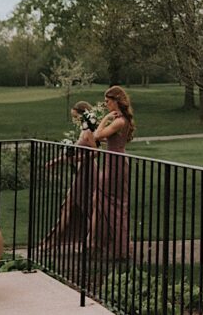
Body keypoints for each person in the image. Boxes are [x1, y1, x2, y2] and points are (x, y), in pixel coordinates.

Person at [42, 101, 99, 246]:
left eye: (76, 117)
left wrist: (74, 158)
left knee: (78, 205)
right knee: (76, 205)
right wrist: (58, 160)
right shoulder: (83, 130)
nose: (75, 120)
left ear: (83, 115)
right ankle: (56, 240)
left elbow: (95, 153)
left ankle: (54, 241)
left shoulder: (87, 132)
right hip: (82, 170)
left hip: (88, 172)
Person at [90, 85, 134, 259]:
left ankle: (119, 247)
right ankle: (102, 242)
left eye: (108, 101)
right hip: (113, 160)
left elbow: (97, 136)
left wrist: (105, 119)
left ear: (116, 101)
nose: (106, 104)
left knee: (114, 204)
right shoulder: (122, 120)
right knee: (103, 200)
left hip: (115, 162)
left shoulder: (119, 121)